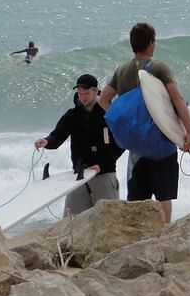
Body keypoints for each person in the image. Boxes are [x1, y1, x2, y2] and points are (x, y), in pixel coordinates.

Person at [99, 23, 190, 223]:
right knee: (163, 195)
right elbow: (177, 99)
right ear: (151, 43)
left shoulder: (122, 70)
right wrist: (189, 131)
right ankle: (164, 232)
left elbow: (103, 100)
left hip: (136, 145)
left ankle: (138, 234)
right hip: (161, 141)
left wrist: (122, 122)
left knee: (137, 197)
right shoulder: (158, 67)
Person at [34, 74, 124, 217]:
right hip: (78, 177)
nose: (83, 97)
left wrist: (102, 164)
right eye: (80, 94)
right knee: (71, 222)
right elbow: (57, 135)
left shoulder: (109, 112)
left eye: (86, 93)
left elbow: (121, 144)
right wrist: (46, 141)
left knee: (108, 221)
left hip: (104, 174)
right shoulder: (72, 115)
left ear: (96, 91)